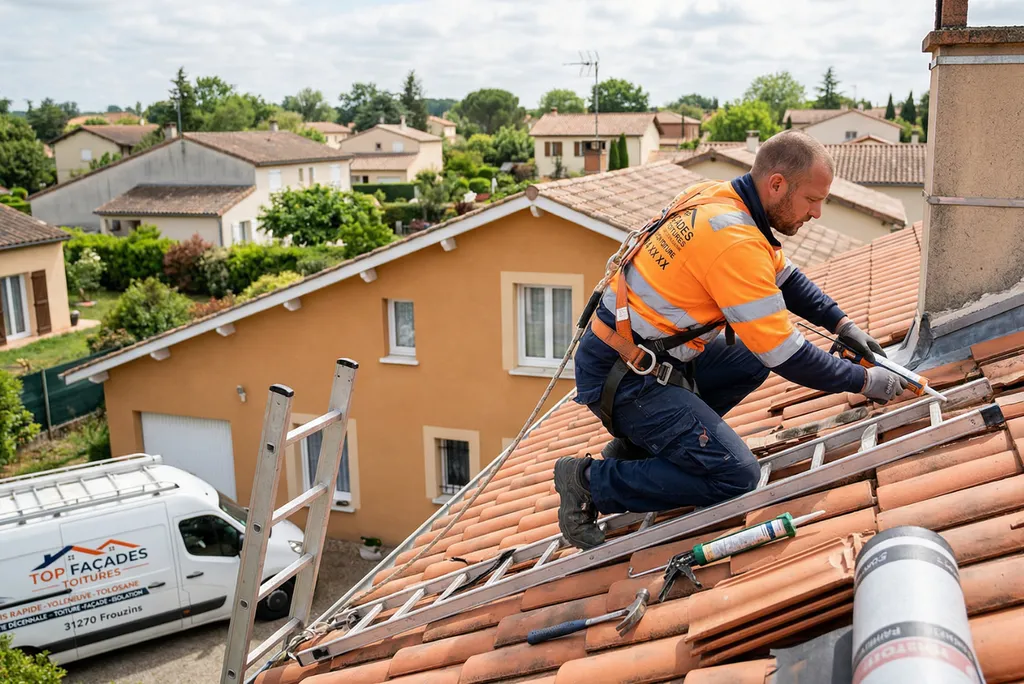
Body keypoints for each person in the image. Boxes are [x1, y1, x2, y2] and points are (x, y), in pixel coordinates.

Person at [554, 130, 908, 550]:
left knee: (751, 355)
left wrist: (842, 325)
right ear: (777, 184)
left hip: (641, 355)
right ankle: (589, 482)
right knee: (735, 476)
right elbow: (785, 353)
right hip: (626, 376)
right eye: (811, 200)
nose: (816, 213)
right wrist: (865, 382)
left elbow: (787, 280)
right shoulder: (731, 241)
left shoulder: (722, 199)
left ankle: (638, 446)